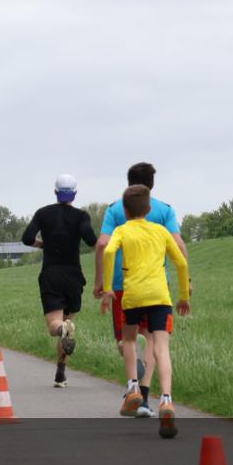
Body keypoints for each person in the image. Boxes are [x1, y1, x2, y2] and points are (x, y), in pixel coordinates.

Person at [94, 162, 191, 417]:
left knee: (126, 339)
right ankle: (162, 399)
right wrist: (185, 289)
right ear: (149, 203)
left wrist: (103, 286)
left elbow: (106, 245)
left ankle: (133, 387)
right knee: (157, 343)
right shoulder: (163, 216)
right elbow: (180, 252)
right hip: (159, 290)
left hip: (125, 288)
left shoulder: (117, 214)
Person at [21, 174, 97, 388]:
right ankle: (60, 374)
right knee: (67, 324)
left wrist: (42, 244)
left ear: (55, 191)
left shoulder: (43, 213)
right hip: (74, 276)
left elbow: (27, 237)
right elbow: (91, 240)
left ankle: (63, 330)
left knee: (56, 326)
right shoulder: (81, 216)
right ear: (75, 193)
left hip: (51, 275)